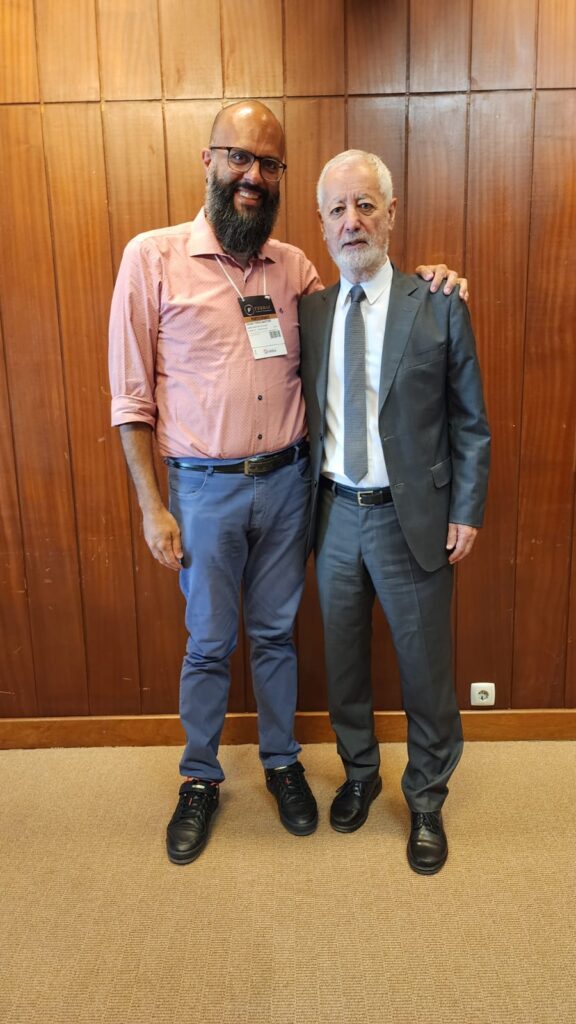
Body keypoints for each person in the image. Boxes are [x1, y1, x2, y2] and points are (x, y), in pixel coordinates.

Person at [109, 102, 467, 866]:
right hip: (203, 490)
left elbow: (383, 305)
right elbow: (130, 400)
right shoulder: (153, 258)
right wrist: (151, 507)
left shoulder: (296, 269)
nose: (252, 176)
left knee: (276, 637)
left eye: (268, 165)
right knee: (209, 644)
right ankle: (200, 779)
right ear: (209, 161)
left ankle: (282, 765)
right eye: (239, 158)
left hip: (287, 488)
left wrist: (439, 277)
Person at [299, 150, 490, 875]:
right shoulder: (311, 311)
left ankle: (428, 799)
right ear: (322, 224)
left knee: (426, 671)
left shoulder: (438, 302)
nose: (352, 221)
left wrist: (467, 508)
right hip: (336, 516)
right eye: (338, 210)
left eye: (365, 205)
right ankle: (358, 775)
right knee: (344, 664)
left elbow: (471, 423)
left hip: (415, 521)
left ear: (391, 213)